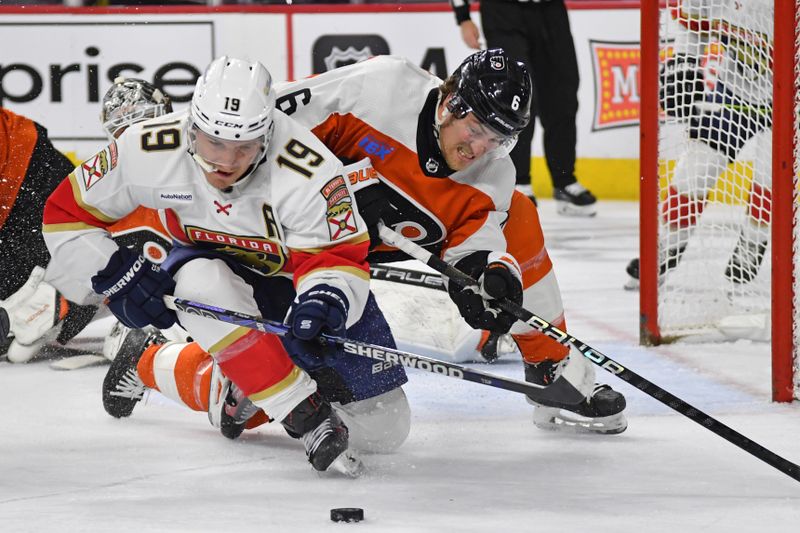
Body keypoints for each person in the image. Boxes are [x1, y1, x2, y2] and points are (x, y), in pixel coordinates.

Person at [106, 50, 627, 437]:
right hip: (286, 242)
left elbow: (477, 244)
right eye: (475, 128)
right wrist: (338, 186)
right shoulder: (381, 88)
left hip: (351, 266)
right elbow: (272, 125)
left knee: (522, 216)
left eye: (498, 138)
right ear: (450, 102)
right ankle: (158, 362)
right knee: (275, 392)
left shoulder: (491, 174)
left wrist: (484, 280)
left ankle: (550, 364)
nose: (480, 148)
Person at [43, 56, 409, 475]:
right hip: (210, 275)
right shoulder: (146, 147)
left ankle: (190, 367)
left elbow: (339, 257)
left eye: (244, 147)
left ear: (267, 137)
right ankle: (287, 404)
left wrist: (326, 299)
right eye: (214, 143)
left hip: (293, 281)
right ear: (191, 128)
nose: (226, 161)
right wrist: (116, 276)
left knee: (386, 430)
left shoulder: (310, 169)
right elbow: (63, 216)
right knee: (201, 281)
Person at [0, 78, 173, 364]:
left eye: (143, 126)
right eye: (122, 130)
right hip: (107, 281)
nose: (133, 138)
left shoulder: (196, 164)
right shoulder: (109, 175)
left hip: (183, 287)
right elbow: (69, 230)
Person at [624, 0, 773, 289]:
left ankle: (753, 243)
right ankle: (667, 247)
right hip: (733, 91)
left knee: (769, 179)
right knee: (696, 169)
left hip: (789, 96)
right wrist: (685, 61)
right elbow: (692, 25)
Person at [449, 0, 597, 216]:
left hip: (551, 11)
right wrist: (463, 17)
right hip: (503, 12)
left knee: (562, 95)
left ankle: (564, 180)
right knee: (517, 95)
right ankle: (519, 182)